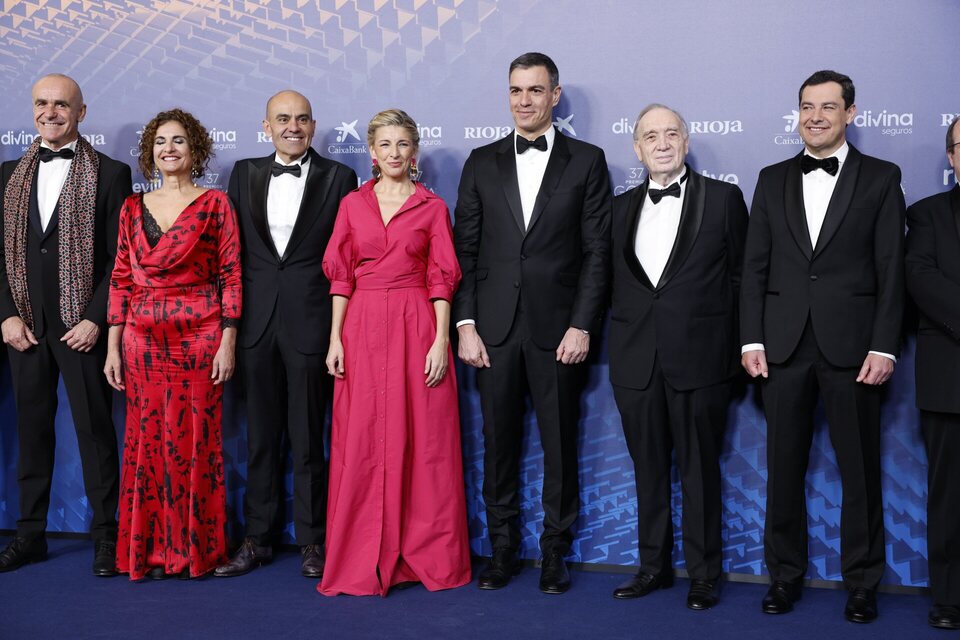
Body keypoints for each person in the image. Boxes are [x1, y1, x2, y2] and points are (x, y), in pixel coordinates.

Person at [740, 70, 905, 622]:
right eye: (807, 106)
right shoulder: (770, 178)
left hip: (854, 350)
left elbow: (891, 270)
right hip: (782, 348)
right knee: (782, 468)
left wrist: (884, 345)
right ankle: (782, 577)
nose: (815, 116)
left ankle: (862, 582)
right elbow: (753, 267)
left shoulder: (882, 178)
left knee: (860, 471)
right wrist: (752, 337)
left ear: (850, 114)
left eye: (828, 107)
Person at [453, 52, 612, 594]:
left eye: (536, 90)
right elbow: (465, 251)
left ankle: (554, 553)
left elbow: (597, 253)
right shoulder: (481, 161)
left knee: (560, 444)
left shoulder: (587, 161)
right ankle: (501, 551)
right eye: (517, 90)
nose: (525, 100)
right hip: (492, 330)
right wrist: (466, 323)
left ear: (555, 94)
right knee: (498, 444)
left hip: (558, 331)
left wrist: (582, 323)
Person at [318, 109, 470, 597]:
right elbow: (341, 275)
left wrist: (441, 339)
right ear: (372, 152)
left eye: (403, 144)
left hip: (416, 324)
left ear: (415, 151)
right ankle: (363, 555)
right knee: (361, 440)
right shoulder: (351, 205)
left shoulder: (432, 207)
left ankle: (423, 553)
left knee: (425, 443)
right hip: (361, 325)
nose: (394, 154)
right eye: (385, 145)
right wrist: (335, 337)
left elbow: (441, 277)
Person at [608, 104, 748, 610]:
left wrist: (738, 350)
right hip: (635, 362)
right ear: (637, 148)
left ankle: (705, 573)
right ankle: (653, 567)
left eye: (671, 134)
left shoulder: (725, 199)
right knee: (647, 471)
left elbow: (742, 282)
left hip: (703, 360)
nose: (662, 143)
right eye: (651, 136)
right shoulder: (619, 208)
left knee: (699, 471)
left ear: (687, 142)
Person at [216, 91, 357, 579]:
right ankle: (257, 538)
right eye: (282, 119)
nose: (292, 126)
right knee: (260, 438)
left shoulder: (341, 177)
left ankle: (313, 541)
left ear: (314, 125)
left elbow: (345, 258)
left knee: (308, 438)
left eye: (301, 119)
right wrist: (228, 327)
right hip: (254, 324)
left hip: (312, 322)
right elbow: (229, 257)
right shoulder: (244, 173)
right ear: (265, 125)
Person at [0, 74, 130, 576]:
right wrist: (6, 315)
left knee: (95, 432)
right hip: (23, 329)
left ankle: (105, 536)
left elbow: (121, 259)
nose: (50, 112)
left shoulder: (112, 173)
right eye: (41, 103)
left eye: (61, 104)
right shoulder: (9, 172)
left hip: (82, 329)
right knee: (31, 433)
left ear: (81, 111)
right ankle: (29, 534)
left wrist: (97, 319)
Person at [104, 108, 241, 580]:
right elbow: (120, 279)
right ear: (149, 152)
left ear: (195, 149)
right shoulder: (130, 207)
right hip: (141, 339)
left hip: (201, 335)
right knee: (145, 443)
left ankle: (193, 551)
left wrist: (228, 341)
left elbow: (230, 276)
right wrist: (112, 347)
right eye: (161, 141)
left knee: (196, 440)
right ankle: (150, 551)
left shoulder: (216, 205)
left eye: (179, 140)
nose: (169, 149)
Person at [904, 115, 960, 630]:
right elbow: (921, 280)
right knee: (950, 496)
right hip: (952, 380)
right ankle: (950, 596)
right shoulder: (925, 215)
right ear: (951, 156)